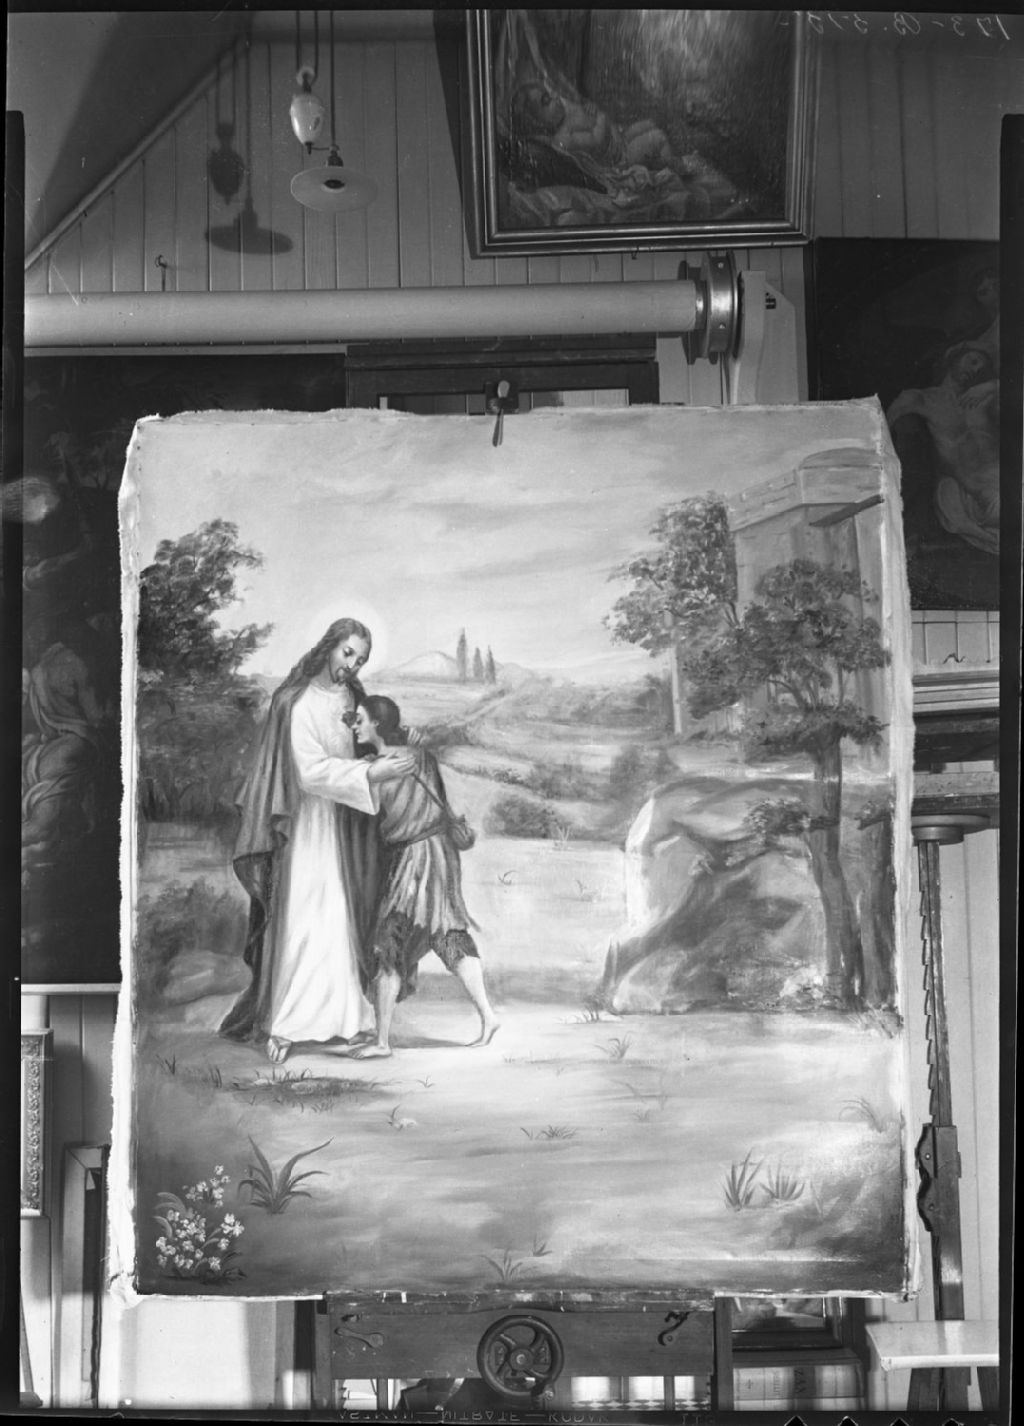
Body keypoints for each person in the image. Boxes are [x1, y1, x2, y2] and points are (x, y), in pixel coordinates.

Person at [219, 619, 415, 1063]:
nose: (352, 665)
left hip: (345, 826)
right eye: (348, 653)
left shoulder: (352, 698)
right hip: (304, 827)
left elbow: (373, 741)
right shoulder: (296, 700)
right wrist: (370, 773)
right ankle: (288, 1025)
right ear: (329, 646)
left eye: (360, 659)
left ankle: (346, 1020)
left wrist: (391, 753)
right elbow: (307, 772)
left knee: (340, 921)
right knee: (305, 920)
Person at [346, 694, 499, 1058]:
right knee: (447, 932)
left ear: (377, 724)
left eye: (360, 720)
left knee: (389, 939)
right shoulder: (421, 756)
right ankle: (488, 1016)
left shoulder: (375, 769)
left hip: (413, 859)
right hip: (440, 854)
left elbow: (367, 807)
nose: (355, 726)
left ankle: (382, 1041)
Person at [887, 343, 999, 557]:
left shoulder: (983, 398)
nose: (976, 370)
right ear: (954, 357)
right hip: (969, 489)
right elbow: (882, 430)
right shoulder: (921, 398)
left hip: (999, 479)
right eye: (973, 361)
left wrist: (991, 386)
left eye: (982, 369)